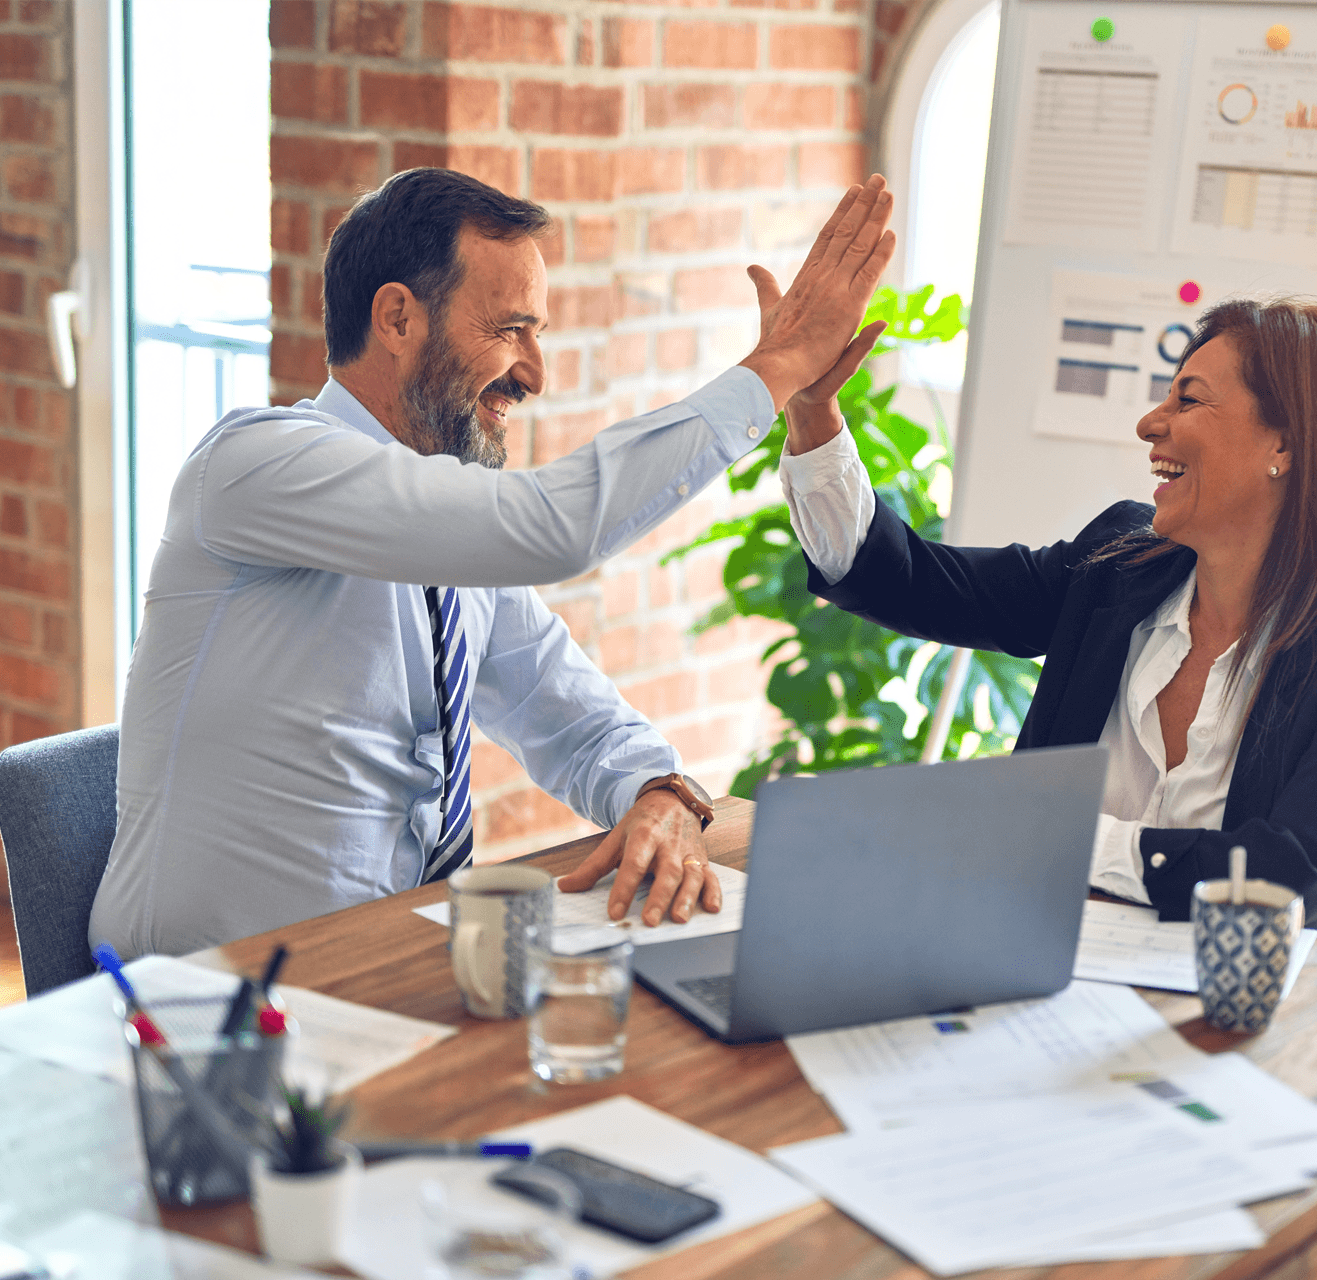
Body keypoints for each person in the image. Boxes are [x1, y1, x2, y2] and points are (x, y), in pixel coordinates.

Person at [90, 167, 895, 958]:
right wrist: (779, 366)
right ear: (398, 319)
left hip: (388, 970)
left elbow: (569, 712)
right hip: (204, 1003)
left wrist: (659, 792)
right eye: (511, 329)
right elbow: (554, 527)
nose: (534, 374)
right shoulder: (256, 466)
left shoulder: (449, 538)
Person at [778, 296, 1317, 940]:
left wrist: (1056, 835)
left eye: (1187, 399)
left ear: (1286, 445)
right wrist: (813, 415)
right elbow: (913, 583)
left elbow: (1284, 878)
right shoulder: (1118, 567)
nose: (1150, 423)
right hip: (1039, 969)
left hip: (1248, 1022)